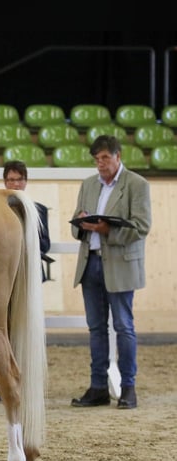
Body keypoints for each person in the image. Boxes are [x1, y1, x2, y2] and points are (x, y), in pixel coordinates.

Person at [69, 135, 151, 410]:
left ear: (118, 156)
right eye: (96, 159)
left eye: (105, 158)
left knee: (123, 327)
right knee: (96, 329)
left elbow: (141, 226)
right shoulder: (88, 185)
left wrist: (108, 230)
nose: (100, 164)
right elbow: (74, 227)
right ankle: (98, 387)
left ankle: (128, 387)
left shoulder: (136, 184)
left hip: (119, 263)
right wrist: (82, 222)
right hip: (90, 262)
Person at [0, 160, 52, 403]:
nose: (14, 183)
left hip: (27, 275)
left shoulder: (38, 209)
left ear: (25, 181)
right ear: (4, 181)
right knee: (3, 329)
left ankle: (27, 382)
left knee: (26, 327)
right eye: (10, 179)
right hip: (4, 277)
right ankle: (6, 382)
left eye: (18, 179)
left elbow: (45, 243)